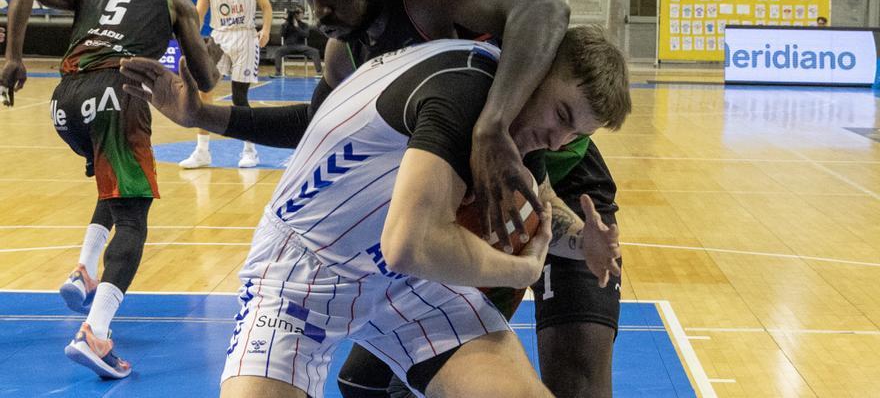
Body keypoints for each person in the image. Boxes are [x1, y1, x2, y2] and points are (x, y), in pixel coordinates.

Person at [120, 23, 628, 398]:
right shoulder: (465, 91)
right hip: (303, 272)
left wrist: (583, 240)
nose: (559, 139)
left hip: (401, 283)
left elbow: (539, 204)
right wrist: (520, 269)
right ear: (533, 71)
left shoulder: (512, 121)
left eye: (576, 134)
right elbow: (411, 245)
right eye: (561, 116)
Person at [276, 0, 624, 397]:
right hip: (496, 182)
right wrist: (203, 116)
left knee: (577, 383)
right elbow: (315, 128)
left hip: (563, 190)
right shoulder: (356, 47)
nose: (320, 12)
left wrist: (492, 128)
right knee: (367, 382)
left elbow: (545, 11)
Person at [0, 0, 220, 379]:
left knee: (114, 182)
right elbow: (206, 79)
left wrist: (12, 57)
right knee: (134, 217)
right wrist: (210, 55)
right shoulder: (174, 0)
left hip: (64, 102)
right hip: (117, 94)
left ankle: (84, 269)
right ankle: (95, 333)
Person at [178, 0, 272, 169]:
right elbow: (198, 13)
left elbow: (266, 7)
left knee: (240, 96)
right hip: (219, 37)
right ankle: (202, 151)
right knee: (204, 91)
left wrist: (266, 30)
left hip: (245, 35)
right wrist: (192, 40)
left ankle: (250, 150)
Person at [272, 6, 322, 77]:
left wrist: (297, 27)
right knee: (278, 51)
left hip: (301, 47)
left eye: (299, 12)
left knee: (315, 52)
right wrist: (287, 22)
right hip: (288, 46)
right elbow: (282, 34)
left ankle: (319, 73)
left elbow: (306, 35)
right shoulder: (286, 24)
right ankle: (278, 73)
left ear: (303, 15)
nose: (297, 14)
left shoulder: (305, 25)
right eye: (296, 12)